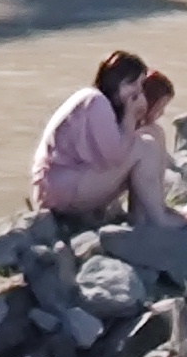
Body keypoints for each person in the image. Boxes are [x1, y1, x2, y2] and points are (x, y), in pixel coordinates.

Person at [28, 51, 175, 227]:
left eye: (141, 84)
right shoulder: (96, 101)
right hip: (60, 193)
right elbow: (115, 157)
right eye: (132, 83)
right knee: (145, 147)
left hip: (67, 185)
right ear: (115, 81)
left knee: (154, 132)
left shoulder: (100, 103)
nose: (137, 91)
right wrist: (130, 115)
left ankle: (147, 212)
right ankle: (157, 218)